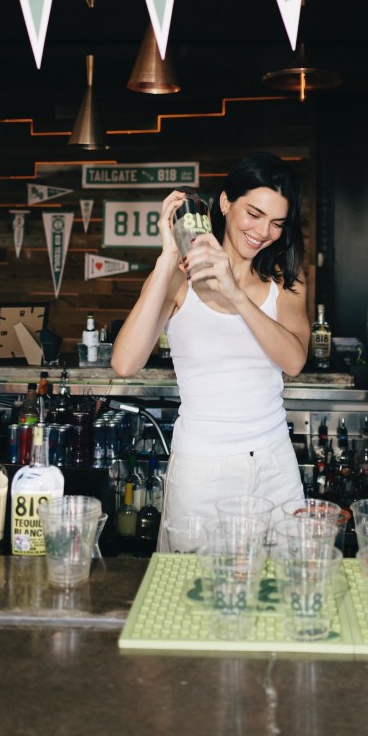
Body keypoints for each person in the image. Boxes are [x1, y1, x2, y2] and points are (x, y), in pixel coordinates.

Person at [111, 152, 310, 548]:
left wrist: (236, 294)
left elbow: (294, 360)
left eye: (276, 223)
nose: (262, 232)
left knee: (278, 593)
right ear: (224, 203)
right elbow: (124, 362)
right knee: (195, 595)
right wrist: (168, 257)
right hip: (201, 468)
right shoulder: (178, 279)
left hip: (274, 463)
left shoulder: (284, 280)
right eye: (253, 214)